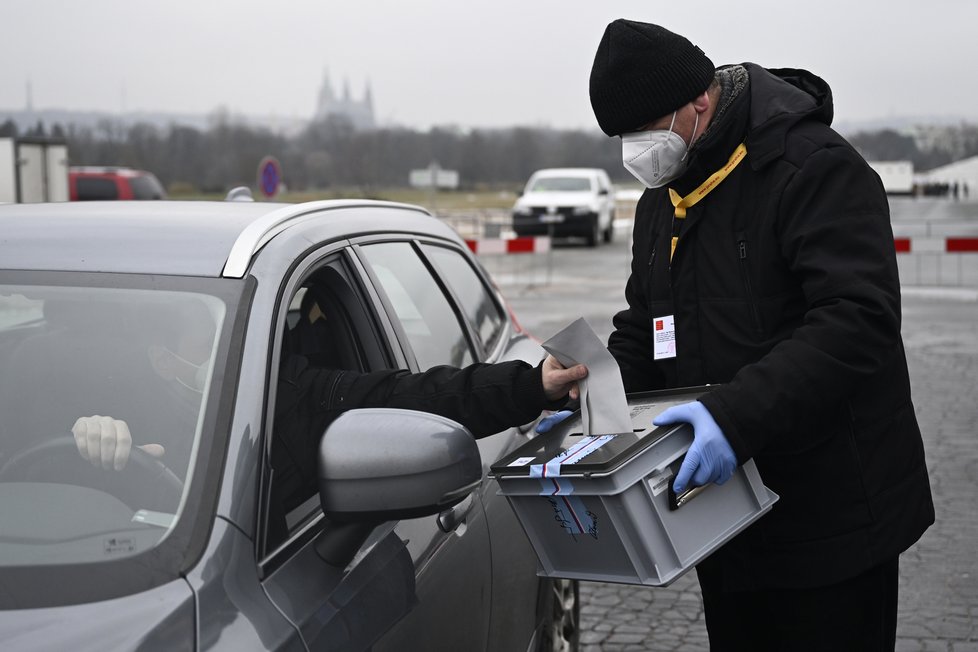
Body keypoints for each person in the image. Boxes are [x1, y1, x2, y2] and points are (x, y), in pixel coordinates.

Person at [582, 18, 934, 650]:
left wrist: (733, 417)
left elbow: (858, 320)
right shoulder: (662, 200)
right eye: (622, 137)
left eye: (645, 129)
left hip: (834, 518)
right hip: (728, 519)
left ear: (699, 99)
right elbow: (647, 325)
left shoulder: (811, 167)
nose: (636, 150)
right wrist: (595, 400)